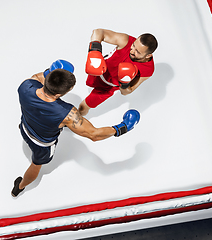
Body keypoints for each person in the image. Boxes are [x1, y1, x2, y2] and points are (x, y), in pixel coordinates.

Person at [12, 59, 140, 197]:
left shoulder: (26, 85)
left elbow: (38, 77)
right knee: (36, 165)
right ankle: (19, 187)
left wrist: (52, 73)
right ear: (58, 95)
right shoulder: (67, 114)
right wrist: (123, 127)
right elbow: (94, 134)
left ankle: (18, 187)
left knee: (30, 124)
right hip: (41, 145)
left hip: (25, 126)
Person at [79, 29, 158, 116]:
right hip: (99, 69)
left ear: (148, 55)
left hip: (108, 88)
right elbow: (98, 32)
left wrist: (124, 82)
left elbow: (126, 92)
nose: (132, 51)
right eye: (134, 46)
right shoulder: (126, 41)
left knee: (83, 107)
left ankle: (70, 125)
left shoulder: (148, 70)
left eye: (137, 52)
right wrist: (95, 51)